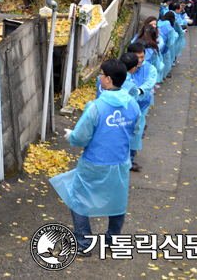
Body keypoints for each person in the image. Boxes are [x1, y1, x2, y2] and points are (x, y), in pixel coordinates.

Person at [50, 59, 141, 256]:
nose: (99, 77)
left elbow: (82, 136)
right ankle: (112, 241)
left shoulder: (96, 107)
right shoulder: (133, 105)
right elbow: (136, 131)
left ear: (108, 79)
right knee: (117, 204)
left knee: (79, 199)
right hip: (119, 163)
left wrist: (70, 136)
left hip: (94, 163)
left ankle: (83, 244)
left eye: (100, 74)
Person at [127, 41, 157, 171]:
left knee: (136, 133)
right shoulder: (124, 67)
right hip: (125, 107)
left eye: (142, 57)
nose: (139, 60)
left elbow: (150, 82)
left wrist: (139, 91)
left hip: (140, 107)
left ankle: (131, 160)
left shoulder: (149, 68)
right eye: (136, 57)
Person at [157, 12, 179, 80]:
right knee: (164, 61)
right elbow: (170, 40)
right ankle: (162, 76)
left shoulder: (158, 22)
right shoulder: (169, 27)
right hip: (163, 46)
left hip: (154, 43)